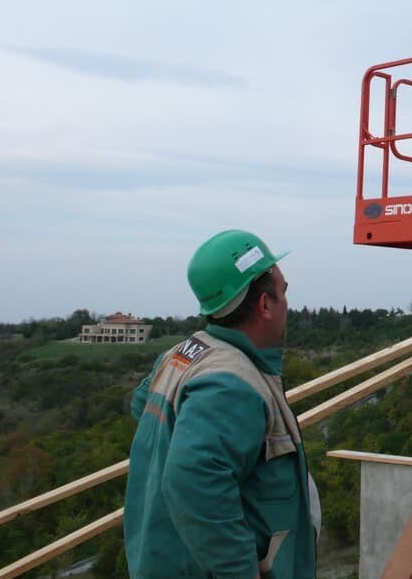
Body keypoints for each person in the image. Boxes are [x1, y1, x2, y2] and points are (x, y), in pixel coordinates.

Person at [124, 230, 318, 578]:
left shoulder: (184, 354)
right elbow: (192, 478)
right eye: (283, 291)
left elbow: (144, 410)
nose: (288, 302)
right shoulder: (230, 384)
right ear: (264, 305)